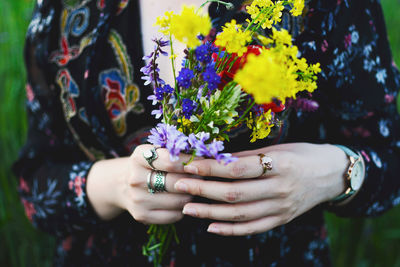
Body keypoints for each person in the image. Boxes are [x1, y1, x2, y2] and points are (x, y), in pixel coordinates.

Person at [13, 0, 400, 266]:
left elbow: (389, 158)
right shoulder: (67, 10)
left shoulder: (323, 7)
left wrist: (333, 173)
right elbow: (36, 182)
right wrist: (115, 185)